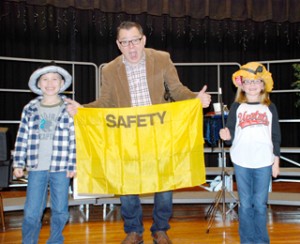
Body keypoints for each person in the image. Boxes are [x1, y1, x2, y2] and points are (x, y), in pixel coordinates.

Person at [66, 21, 211, 244]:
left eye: (135, 41)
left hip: (159, 132)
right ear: (118, 44)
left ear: (143, 40)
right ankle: (133, 231)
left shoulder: (162, 59)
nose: (131, 47)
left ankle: (160, 229)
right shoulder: (110, 69)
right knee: (127, 183)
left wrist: (195, 98)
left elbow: (177, 90)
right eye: (125, 42)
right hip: (127, 135)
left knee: (164, 182)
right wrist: (83, 110)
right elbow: (106, 102)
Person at [13, 63, 76, 244]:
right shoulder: (30, 108)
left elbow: (75, 138)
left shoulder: (70, 108)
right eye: (45, 79)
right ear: (38, 84)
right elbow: (22, 136)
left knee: (61, 210)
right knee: (32, 211)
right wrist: (18, 163)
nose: (50, 83)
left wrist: (73, 164)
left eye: (55, 79)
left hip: (61, 167)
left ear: (62, 83)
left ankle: (55, 241)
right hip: (36, 167)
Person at [219, 62, 281, 244]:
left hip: (264, 162)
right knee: (245, 205)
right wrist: (226, 135)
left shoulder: (270, 108)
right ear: (241, 85)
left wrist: (276, 161)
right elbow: (230, 135)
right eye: (248, 82)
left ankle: (262, 241)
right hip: (242, 162)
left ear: (263, 85)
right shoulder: (236, 108)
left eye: (257, 81)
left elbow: (276, 136)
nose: (252, 85)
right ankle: (247, 241)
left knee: (260, 206)